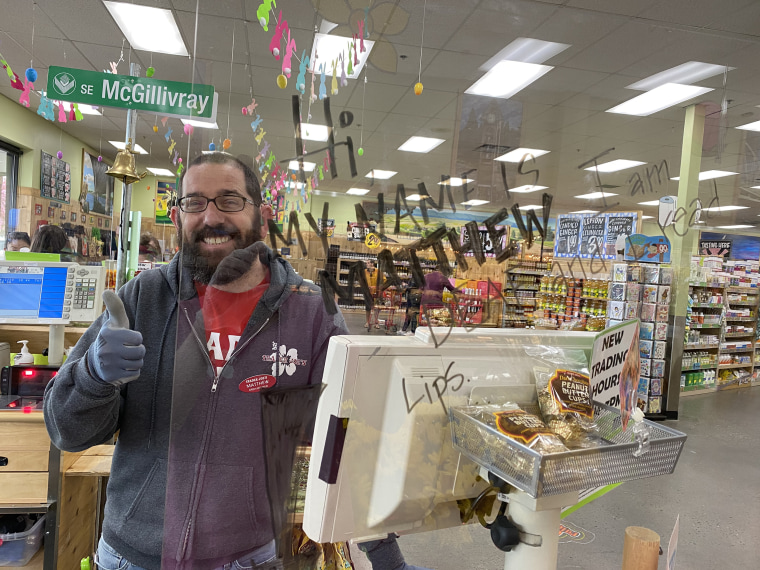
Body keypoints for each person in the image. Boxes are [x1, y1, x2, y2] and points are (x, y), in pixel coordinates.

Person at [44, 153, 428, 570]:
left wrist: (387, 557)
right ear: (177, 217)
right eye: (195, 202)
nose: (210, 217)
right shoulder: (140, 300)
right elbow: (67, 431)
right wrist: (93, 377)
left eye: (229, 200)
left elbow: (350, 439)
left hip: (248, 558)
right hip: (131, 556)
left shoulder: (312, 316)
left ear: (262, 215)